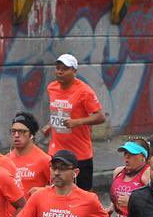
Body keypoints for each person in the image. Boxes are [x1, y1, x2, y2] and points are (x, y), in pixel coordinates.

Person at [44, 54, 106, 191]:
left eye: (64, 69)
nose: (60, 72)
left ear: (74, 71)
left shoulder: (84, 91)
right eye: (58, 68)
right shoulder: (51, 88)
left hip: (80, 154)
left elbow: (100, 117)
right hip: (56, 151)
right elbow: (59, 111)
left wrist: (77, 122)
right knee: (56, 191)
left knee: (83, 195)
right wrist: (50, 124)